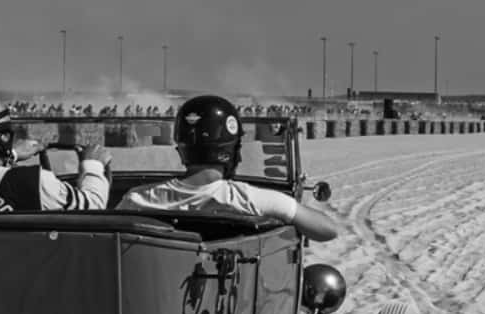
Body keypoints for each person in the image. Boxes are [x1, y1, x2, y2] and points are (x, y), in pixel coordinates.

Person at [115, 94, 339, 241]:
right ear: (230, 151)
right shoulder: (248, 199)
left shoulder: (136, 199)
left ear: (182, 148)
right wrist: (288, 207)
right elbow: (328, 230)